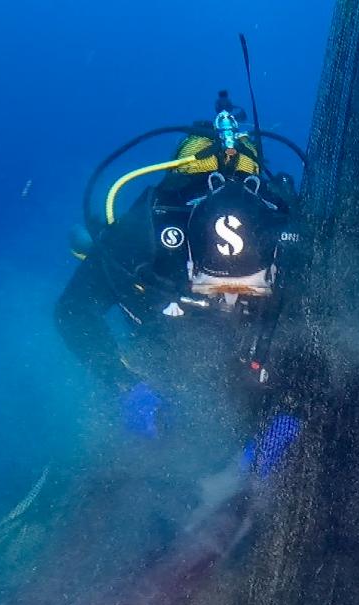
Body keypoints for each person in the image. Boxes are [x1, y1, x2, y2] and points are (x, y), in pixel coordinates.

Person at [56, 91, 304, 473]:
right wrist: (125, 386)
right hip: (166, 374)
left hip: (263, 367)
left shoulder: (285, 228)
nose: (230, 295)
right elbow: (73, 311)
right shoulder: (149, 231)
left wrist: (291, 408)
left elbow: (336, 316)